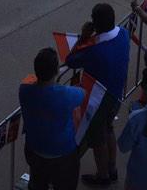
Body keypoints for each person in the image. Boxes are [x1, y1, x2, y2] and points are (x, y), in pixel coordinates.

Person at [65, 3, 131, 187]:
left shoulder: (94, 50)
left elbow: (70, 60)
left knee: (97, 138)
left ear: (95, 24)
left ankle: (102, 176)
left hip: (100, 99)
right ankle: (112, 168)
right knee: (108, 129)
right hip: (117, 94)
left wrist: (83, 37)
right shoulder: (124, 34)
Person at [19, 47, 85, 190]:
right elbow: (82, 93)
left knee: (38, 183)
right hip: (63, 154)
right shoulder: (66, 95)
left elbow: (29, 83)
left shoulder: (24, 90)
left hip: (35, 149)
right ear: (56, 71)